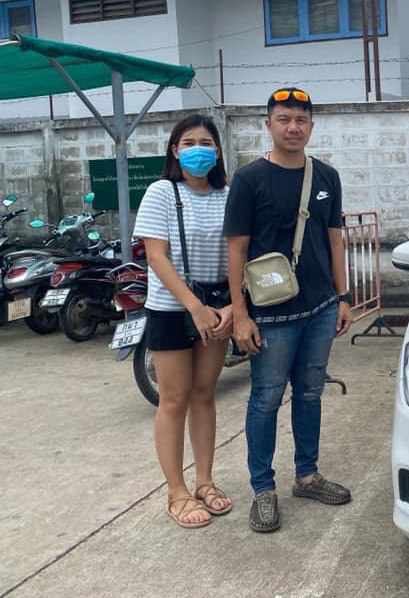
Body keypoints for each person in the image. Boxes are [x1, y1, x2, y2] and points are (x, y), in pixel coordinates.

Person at [224, 87, 353, 533]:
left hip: (320, 307)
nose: (293, 127)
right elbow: (236, 249)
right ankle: (263, 489)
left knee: (311, 393)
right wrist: (240, 314)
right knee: (265, 398)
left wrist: (342, 297)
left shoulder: (327, 176)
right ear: (268, 125)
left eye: (301, 119)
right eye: (284, 119)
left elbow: (335, 239)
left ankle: (307, 476)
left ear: (311, 126)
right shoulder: (249, 179)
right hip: (271, 313)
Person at [133, 114, 234, 529]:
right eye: (188, 142)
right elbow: (156, 256)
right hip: (173, 309)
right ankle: (176, 492)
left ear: (218, 151)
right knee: (174, 399)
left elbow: (241, 253)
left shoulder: (229, 195)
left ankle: (204, 481)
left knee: (205, 394)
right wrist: (194, 306)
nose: (198, 150)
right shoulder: (161, 192)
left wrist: (235, 305)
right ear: (174, 151)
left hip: (219, 309)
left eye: (206, 143)